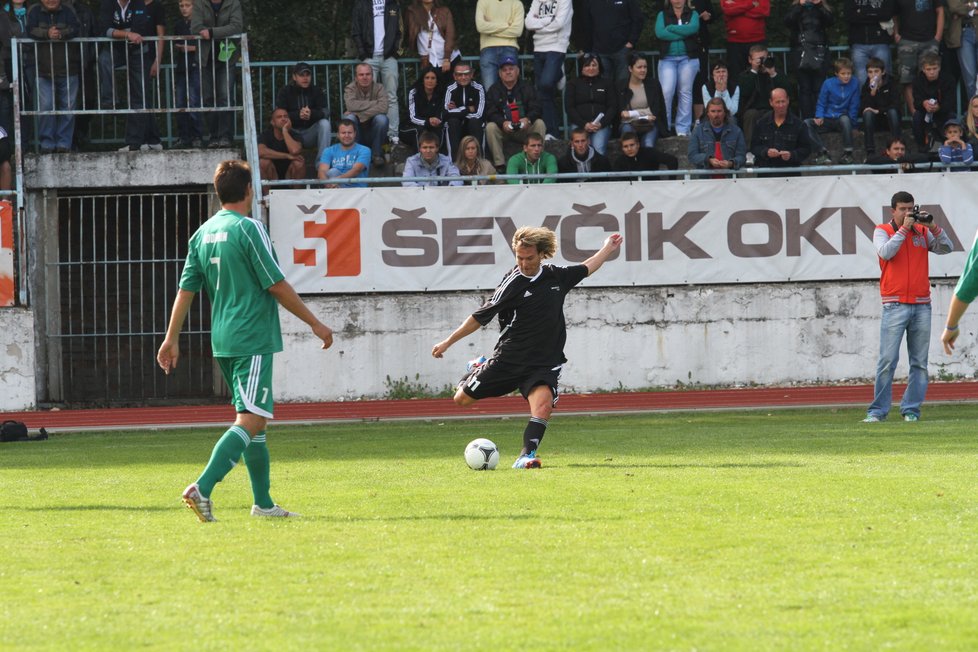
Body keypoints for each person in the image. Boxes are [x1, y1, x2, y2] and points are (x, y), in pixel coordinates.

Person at [158, 160, 334, 522]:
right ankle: (202, 487)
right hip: (252, 336)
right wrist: (315, 323)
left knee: (256, 423)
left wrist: (171, 338)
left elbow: (186, 289)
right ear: (249, 191)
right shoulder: (250, 228)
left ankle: (264, 504)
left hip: (223, 338)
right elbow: (276, 284)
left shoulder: (203, 233)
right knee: (252, 419)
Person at [431, 226, 623, 469]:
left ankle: (525, 456)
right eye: (519, 258)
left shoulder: (556, 276)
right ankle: (476, 369)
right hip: (510, 359)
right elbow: (479, 317)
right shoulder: (513, 283)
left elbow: (588, 266)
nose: (523, 263)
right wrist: (448, 342)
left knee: (543, 407)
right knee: (462, 400)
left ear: (542, 254)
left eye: (529, 258)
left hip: (544, 361)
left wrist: (608, 247)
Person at [863, 191, 952, 423]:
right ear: (893, 210)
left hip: (922, 305)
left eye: (910, 208)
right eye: (902, 209)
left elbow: (947, 247)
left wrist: (932, 225)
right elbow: (886, 252)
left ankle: (911, 409)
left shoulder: (922, 231)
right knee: (887, 361)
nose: (907, 213)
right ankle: (877, 412)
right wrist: (904, 229)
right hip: (894, 304)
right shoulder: (882, 230)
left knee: (919, 363)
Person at [99, 0, 160, 152]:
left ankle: (135, 142)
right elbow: (104, 29)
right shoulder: (108, 4)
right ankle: (110, 100)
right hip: (117, 49)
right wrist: (128, 33)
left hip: (138, 51)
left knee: (140, 96)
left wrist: (118, 32)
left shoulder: (139, 3)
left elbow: (141, 28)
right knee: (103, 59)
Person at [28, 0, 80, 154]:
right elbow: (29, 30)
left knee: (68, 108)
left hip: (68, 68)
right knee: (45, 107)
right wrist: (46, 34)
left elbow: (76, 29)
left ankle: (64, 144)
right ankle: (47, 144)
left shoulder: (69, 10)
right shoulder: (34, 10)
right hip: (43, 69)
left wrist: (60, 34)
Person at [191, 0, 244, 148]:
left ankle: (225, 136)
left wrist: (212, 32)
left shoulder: (233, 3)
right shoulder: (200, 3)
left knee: (225, 97)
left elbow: (236, 26)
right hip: (206, 58)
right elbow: (195, 27)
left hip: (227, 57)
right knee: (207, 98)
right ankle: (213, 136)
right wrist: (222, 31)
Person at [484, 56, 546, 170]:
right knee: (490, 127)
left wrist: (528, 119)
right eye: (504, 70)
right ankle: (500, 165)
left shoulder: (527, 87)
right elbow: (490, 112)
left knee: (540, 123)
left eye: (511, 69)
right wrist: (502, 122)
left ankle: (538, 159)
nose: (508, 72)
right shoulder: (494, 89)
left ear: (517, 71)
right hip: (504, 130)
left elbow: (537, 108)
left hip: (525, 130)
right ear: (499, 73)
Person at [352, 0, 401, 145]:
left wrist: (396, 52)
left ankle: (393, 135)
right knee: (366, 96)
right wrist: (362, 53)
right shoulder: (361, 4)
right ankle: (369, 134)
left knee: (391, 96)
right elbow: (355, 30)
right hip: (369, 56)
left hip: (389, 57)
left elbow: (400, 31)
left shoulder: (393, 3)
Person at [525, 0, 573, 139]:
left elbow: (559, 24)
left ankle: (557, 72)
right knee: (544, 94)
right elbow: (528, 23)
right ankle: (552, 132)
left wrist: (538, 24)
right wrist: (548, 20)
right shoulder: (537, 1)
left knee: (545, 83)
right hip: (538, 47)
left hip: (556, 46)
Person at [655, 0, 701, 137]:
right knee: (666, 93)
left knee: (685, 93)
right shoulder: (661, 14)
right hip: (667, 59)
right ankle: (665, 128)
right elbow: (660, 33)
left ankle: (683, 130)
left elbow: (693, 29)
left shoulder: (693, 13)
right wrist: (684, 32)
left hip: (688, 58)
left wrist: (671, 28)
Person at [784, 0, 834, 120]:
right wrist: (800, 6)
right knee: (805, 88)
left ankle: (819, 118)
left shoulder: (821, 8)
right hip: (800, 50)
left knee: (819, 87)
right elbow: (788, 22)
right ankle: (807, 119)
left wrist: (820, 5)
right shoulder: (795, 7)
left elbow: (830, 21)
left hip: (819, 51)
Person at [893, 0, 944, 116]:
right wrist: (896, 33)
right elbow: (894, 14)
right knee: (907, 80)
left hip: (929, 40)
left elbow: (940, 10)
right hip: (906, 41)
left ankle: (931, 116)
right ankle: (916, 116)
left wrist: (938, 36)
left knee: (931, 78)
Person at [807, 57, 860, 165]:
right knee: (806, 123)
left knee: (845, 119)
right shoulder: (828, 83)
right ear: (836, 73)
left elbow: (854, 106)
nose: (846, 76)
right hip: (827, 118)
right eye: (843, 73)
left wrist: (853, 126)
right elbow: (821, 102)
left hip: (842, 119)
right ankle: (821, 152)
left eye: (849, 73)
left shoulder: (855, 83)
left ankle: (848, 153)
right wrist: (819, 116)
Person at [577, 0, 644, 85]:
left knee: (623, 85)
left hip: (622, 50)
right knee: (602, 87)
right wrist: (585, 47)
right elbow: (586, 24)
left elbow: (638, 19)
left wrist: (631, 41)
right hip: (599, 51)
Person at [274, 62, 331, 160]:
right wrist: (298, 115)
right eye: (301, 75)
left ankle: (322, 164)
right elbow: (278, 114)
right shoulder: (285, 91)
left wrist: (311, 114)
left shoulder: (316, 90)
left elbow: (326, 112)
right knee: (278, 124)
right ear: (294, 77)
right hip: (290, 132)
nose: (305, 78)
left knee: (325, 124)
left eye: (307, 75)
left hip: (310, 133)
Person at [736, 45, 788, 149]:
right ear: (750, 60)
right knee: (750, 115)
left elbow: (787, 91)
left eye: (764, 58)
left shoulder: (775, 73)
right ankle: (749, 151)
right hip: (753, 109)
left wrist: (772, 73)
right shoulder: (745, 75)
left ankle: (777, 148)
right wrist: (754, 71)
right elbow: (744, 92)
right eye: (758, 59)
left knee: (776, 114)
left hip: (773, 108)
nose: (761, 61)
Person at [750, 87, 812, 174]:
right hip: (766, 174)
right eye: (777, 102)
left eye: (783, 101)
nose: (781, 105)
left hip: (790, 174)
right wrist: (766, 152)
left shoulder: (799, 124)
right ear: (771, 102)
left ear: (788, 101)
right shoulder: (761, 123)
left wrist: (791, 155)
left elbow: (806, 149)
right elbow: (754, 147)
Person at [564, 53, 615, 154]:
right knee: (579, 148)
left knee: (598, 149)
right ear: (581, 68)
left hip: (601, 126)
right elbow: (569, 108)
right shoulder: (573, 84)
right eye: (587, 65)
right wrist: (584, 124)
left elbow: (613, 107)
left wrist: (601, 123)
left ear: (599, 67)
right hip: (579, 125)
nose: (591, 68)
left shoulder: (607, 83)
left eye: (594, 65)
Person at [343, 62, 390, 169]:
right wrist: (374, 103)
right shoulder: (350, 88)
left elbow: (384, 108)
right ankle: (356, 154)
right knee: (349, 118)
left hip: (374, 131)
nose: (365, 77)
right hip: (357, 130)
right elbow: (350, 105)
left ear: (372, 76)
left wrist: (359, 113)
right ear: (356, 77)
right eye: (361, 74)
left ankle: (376, 155)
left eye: (368, 74)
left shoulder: (379, 88)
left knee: (382, 119)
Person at [617, 53, 667, 149]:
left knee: (648, 144)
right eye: (639, 67)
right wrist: (646, 114)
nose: (643, 70)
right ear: (630, 69)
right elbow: (622, 114)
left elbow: (655, 110)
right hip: (628, 124)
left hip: (649, 123)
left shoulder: (654, 84)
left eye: (645, 67)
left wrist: (632, 114)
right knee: (629, 142)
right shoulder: (621, 86)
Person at [405, 0, 459, 87]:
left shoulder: (444, 11)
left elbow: (450, 34)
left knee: (451, 91)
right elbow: (409, 35)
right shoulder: (412, 12)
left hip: (449, 59)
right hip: (429, 61)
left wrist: (446, 58)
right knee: (433, 93)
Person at [172, 0, 202, 148]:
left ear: (194, 6)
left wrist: (191, 48)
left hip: (196, 66)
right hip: (182, 67)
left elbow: (207, 45)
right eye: (181, 6)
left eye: (187, 5)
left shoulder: (201, 23)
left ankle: (197, 136)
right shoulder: (178, 24)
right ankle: (183, 136)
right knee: (180, 103)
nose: (184, 9)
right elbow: (176, 44)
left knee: (194, 101)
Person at [911, 52, 955, 151]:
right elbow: (916, 102)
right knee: (916, 117)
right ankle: (921, 147)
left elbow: (950, 102)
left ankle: (951, 146)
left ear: (939, 68)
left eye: (934, 68)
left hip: (943, 111)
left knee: (951, 117)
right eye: (928, 69)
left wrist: (939, 107)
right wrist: (924, 103)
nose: (932, 72)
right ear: (923, 69)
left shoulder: (948, 80)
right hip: (924, 112)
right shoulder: (917, 81)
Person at [688, 96, 746, 172]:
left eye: (719, 111)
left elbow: (742, 157)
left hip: (730, 179)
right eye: (713, 111)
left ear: (725, 112)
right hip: (706, 180)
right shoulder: (698, 131)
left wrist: (731, 163)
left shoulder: (736, 131)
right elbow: (692, 156)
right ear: (707, 113)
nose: (716, 115)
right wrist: (708, 160)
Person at [475, 0, 523, 90]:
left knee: (512, 88)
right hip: (488, 49)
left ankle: (511, 105)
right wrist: (506, 25)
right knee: (489, 89)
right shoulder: (482, 2)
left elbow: (517, 31)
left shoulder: (516, 3)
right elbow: (481, 27)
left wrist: (490, 31)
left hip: (509, 48)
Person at [846, 0, 896, 87]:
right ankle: (865, 100)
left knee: (884, 77)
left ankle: (885, 100)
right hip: (858, 43)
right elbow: (850, 17)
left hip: (881, 41)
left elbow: (887, 15)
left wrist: (862, 13)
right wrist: (875, 14)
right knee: (861, 79)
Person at [860, 57, 901, 159]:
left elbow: (896, 104)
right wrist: (872, 92)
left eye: (876, 71)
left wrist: (879, 111)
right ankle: (870, 152)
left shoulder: (891, 83)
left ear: (883, 72)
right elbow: (864, 107)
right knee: (868, 114)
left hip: (890, 118)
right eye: (870, 72)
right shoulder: (866, 86)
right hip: (875, 121)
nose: (873, 75)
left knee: (892, 111)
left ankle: (897, 147)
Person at [444, 62, 486, 160]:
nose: (463, 77)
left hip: (473, 124)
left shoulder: (479, 88)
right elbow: (445, 113)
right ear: (454, 76)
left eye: (466, 74)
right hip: (457, 126)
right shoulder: (450, 89)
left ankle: (480, 161)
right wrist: (467, 109)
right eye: (459, 74)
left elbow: (480, 114)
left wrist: (456, 111)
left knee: (475, 122)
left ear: (472, 74)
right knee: (452, 122)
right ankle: (453, 163)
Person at [402, 65, 446, 153]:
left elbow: (442, 113)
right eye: (427, 78)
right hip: (410, 126)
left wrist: (437, 121)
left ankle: (441, 160)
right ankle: (419, 161)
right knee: (420, 131)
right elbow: (412, 117)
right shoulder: (413, 92)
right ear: (423, 80)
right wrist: (427, 121)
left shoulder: (442, 94)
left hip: (432, 125)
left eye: (433, 78)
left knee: (441, 129)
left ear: (437, 81)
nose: (430, 81)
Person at [720, 0, 770, 79]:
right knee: (735, 75)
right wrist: (751, 5)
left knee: (761, 73)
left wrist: (738, 10)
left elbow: (764, 11)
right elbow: (728, 10)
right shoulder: (752, 3)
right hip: (734, 42)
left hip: (757, 40)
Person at [317, 118, 372, 188]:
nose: (346, 136)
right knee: (333, 172)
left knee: (333, 173)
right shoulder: (328, 150)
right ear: (338, 135)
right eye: (343, 133)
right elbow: (322, 171)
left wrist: (336, 180)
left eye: (349, 133)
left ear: (355, 134)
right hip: (335, 189)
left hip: (357, 191)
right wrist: (328, 185)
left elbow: (356, 170)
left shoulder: (365, 150)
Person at [258, 107, 305, 184]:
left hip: (289, 175)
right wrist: (286, 155)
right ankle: (266, 195)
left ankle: (297, 194)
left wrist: (285, 131)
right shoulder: (265, 135)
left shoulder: (295, 135)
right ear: (273, 122)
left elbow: (295, 150)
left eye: (285, 116)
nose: (283, 119)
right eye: (279, 117)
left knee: (299, 163)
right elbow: (261, 152)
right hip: (272, 175)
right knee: (263, 162)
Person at [613, 129, 679, 179]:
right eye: (625, 146)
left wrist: (671, 182)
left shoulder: (649, 153)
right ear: (622, 148)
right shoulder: (619, 162)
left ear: (638, 145)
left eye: (632, 145)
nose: (629, 149)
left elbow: (672, 160)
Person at [945, 0, 977, 100]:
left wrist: (966, 8)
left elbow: (959, 10)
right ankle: (974, 111)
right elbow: (955, 7)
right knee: (970, 78)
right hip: (963, 33)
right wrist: (974, 8)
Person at [690, 0, 716, 121]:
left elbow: (713, 15)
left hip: (700, 44)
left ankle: (698, 121)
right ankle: (679, 126)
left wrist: (708, 16)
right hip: (680, 46)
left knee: (699, 83)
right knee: (681, 87)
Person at [701, 60, 739, 124]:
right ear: (712, 75)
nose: (721, 74)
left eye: (723, 71)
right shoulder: (706, 87)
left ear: (728, 74)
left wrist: (724, 92)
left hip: (729, 116)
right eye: (718, 72)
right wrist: (718, 91)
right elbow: (709, 109)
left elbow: (732, 111)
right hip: (711, 116)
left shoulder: (735, 87)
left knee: (732, 120)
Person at [865, 135, 931, 170]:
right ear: (888, 151)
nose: (900, 152)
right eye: (896, 149)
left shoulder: (908, 159)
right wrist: (897, 161)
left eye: (902, 149)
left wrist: (900, 160)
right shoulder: (881, 160)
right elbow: (869, 160)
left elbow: (924, 157)